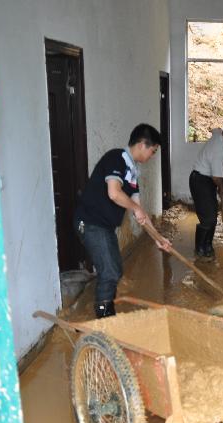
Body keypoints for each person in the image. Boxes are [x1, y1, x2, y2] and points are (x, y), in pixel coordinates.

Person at [75, 123, 172, 318]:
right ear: (143, 145)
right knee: (110, 271)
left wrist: (158, 238)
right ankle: (104, 319)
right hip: (90, 223)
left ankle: (105, 309)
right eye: (153, 151)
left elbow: (140, 214)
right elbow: (114, 193)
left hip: (105, 226)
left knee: (115, 270)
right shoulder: (116, 157)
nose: (152, 156)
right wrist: (135, 208)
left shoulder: (132, 172)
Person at [188, 121, 223, 259]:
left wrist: (219, 188)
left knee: (213, 215)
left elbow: (216, 130)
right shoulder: (218, 149)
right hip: (201, 180)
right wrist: (221, 188)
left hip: (206, 180)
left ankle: (208, 245)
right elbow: (216, 177)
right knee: (208, 218)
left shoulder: (220, 135)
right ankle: (200, 249)